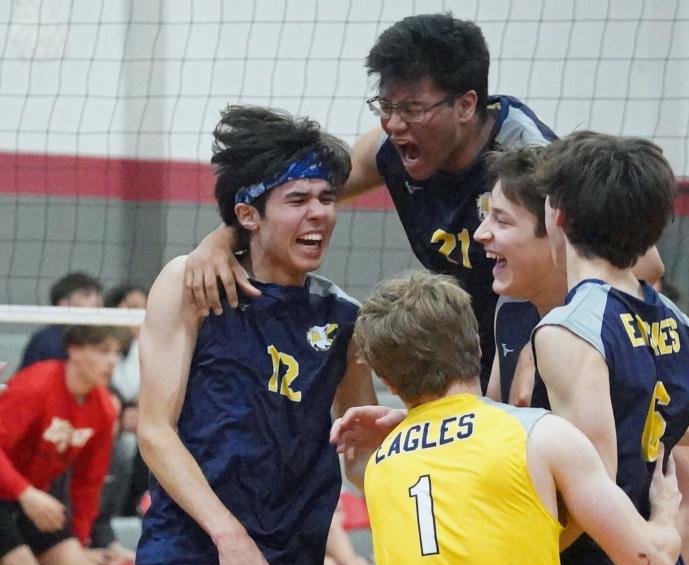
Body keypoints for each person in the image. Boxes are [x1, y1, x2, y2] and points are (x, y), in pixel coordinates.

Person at [183, 13, 556, 388]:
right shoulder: (387, 150)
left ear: (465, 105)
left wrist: (539, 343)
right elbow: (292, 193)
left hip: (538, 334)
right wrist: (220, 239)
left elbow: (584, 267)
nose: (393, 124)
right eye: (386, 106)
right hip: (471, 343)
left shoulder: (529, 164)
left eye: (411, 110)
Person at [132, 105, 377, 565]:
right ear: (248, 216)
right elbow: (153, 430)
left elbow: (359, 453)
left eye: (327, 198)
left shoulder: (343, 318)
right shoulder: (191, 284)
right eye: (298, 200)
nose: (319, 213)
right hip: (193, 562)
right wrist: (229, 538)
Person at [349, 270, 683, 565]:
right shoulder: (539, 437)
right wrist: (665, 511)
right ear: (476, 345)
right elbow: (649, 563)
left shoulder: (379, 468)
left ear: (390, 383)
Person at [525, 131, 689, 565]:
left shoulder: (569, 328)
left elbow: (592, 493)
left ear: (559, 216)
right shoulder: (676, 320)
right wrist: (654, 428)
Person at [0, 325, 122, 565]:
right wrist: (24, 492)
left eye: (116, 354)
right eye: (102, 351)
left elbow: (87, 484)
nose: (111, 361)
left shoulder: (105, 409)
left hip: (31, 499)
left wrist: (79, 543)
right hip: (16, 494)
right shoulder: (35, 385)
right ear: (75, 350)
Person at [19, 272, 103, 370]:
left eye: (98, 295)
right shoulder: (46, 340)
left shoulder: (103, 338)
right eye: (86, 295)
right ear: (64, 304)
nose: (97, 301)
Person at [104, 284, 148, 403]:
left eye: (146, 308)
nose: (141, 313)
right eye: (133, 307)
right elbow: (127, 390)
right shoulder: (101, 344)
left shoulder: (154, 346)